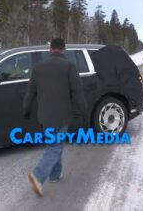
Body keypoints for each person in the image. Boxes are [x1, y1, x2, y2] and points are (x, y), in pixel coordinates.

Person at [23, 38, 87, 197]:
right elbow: (78, 92)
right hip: (62, 116)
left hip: (44, 116)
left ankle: (54, 175)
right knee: (55, 146)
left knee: (54, 144)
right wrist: (84, 112)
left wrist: (26, 110)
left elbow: (30, 92)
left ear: (50, 49)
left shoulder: (38, 68)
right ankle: (37, 176)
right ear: (64, 50)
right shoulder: (69, 66)